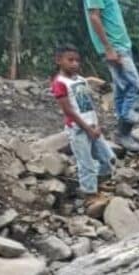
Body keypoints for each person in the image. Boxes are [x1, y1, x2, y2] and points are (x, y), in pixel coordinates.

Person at [51, 45, 115, 211]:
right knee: (85, 163)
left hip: (92, 126)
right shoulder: (60, 83)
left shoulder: (79, 80)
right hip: (78, 129)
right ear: (59, 60)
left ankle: (97, 184)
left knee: (108, 158)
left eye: (77, 60)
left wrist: (97, 125)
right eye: (70, 60)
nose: (74, 63)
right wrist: (87, 128)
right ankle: (89, 195)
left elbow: (87, 104)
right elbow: (68, 110)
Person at [83, 0, 139, 153]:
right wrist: (109, 48)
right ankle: (123, 133)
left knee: (122, 88)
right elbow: (94, 17)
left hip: (121, 46)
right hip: (115, 48)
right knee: (136, 88)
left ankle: (123, 132)